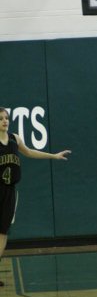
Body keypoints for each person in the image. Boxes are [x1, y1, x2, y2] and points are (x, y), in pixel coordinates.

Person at [0, 107, 70, 286]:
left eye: (6, 118)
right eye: (1, 119)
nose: (5, 121)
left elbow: (29, 152)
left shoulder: (15, 139)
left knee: (2, 232)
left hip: (9, 191)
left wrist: (53, 156)